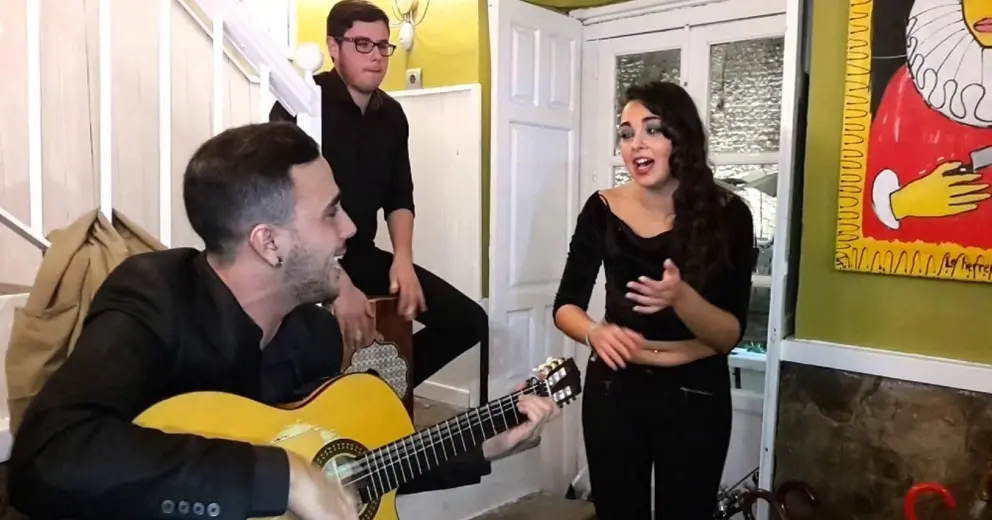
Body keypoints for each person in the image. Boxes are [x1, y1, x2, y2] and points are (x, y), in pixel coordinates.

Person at [7, 122, 559, 520]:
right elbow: (49, 458)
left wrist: (482, 444)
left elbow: (350, 469)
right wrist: (282, 475)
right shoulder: (155, 295)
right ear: (268, 243)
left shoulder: (313, 337)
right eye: (330, 212)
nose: (349, 228)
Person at [552, 81, 756, 519]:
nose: (636, 144)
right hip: (614, 390)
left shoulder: (729, 215)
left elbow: (728, 335)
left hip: (695, 393)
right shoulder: (601, 208)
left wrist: (680, 297)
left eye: (653, 130)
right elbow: (565, 305)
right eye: (626, 134)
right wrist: (594, 333)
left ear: (681, 138)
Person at [270, 0, 488, 396]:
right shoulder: (300, 104)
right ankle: (331, 406)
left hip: (362, 253)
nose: (376, 56)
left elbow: (399, 194)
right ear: (333, 47)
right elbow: (285, 209)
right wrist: (336, 282)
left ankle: (381, 396)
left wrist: (403, 260)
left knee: (468, 321)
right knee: (314, 351)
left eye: (383, 45)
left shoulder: (392, 115)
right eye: (362, 44)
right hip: (304, 258)